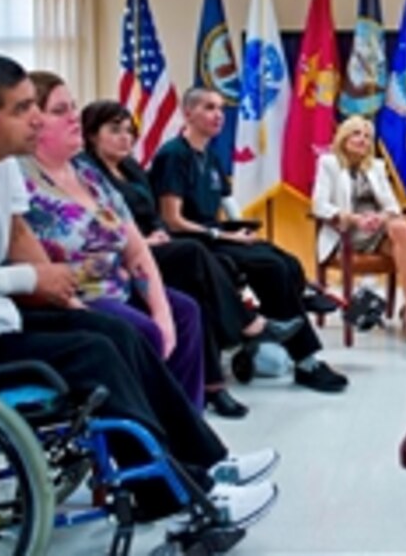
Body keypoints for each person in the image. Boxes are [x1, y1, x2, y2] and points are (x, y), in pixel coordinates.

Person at [0, 52, 278, 524]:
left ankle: (207, 461)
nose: (36, 116)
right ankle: (170, 495)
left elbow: (17, 232)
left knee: (110, 331)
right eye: (21, 109)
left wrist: (59, 289)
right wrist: (25, 279)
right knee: (94, 353)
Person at [81, 99, 295, 418]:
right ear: (92, 134)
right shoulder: (88, 173)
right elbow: (101, 224)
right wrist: (147, 239)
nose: (125, 138)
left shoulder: (130, 167)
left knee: (204, 285)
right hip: (124, 256)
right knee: (195, 253)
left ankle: (214, 387)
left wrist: (157, 232)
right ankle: (250, 324)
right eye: (114, 130)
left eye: (129, 131)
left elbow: (152, 213)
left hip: (155, 245)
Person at [19, 71, 206, 409]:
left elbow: (135, 247)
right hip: (77, 300)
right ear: (34, 121)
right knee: (141, 331)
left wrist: (161, 312)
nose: (74, 116)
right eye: (60, 110)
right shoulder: (21, 179)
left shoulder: (88, 173)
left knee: (184, 313)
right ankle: (160, 438)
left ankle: (187, 430)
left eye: (74, 107)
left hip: (118, 287)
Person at [150, 87, 347, 393]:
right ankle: (306, 361)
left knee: (287, 261)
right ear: (188, 113)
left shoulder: (210, 155)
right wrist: (224, 234)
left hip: (215, 233)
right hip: (191, 241)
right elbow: (172, 218)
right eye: (208, 108)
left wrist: (244, 232)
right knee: (272, 267)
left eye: (220, 108)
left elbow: (228, 202)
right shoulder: (174, 155)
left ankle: (295, 299)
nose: (218, 115)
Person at [312, 115, 406, 341]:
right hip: (346, 232)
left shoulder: (376, 166)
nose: (363, 140)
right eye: (356, 134)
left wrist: (379, 217)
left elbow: (392, 206)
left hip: (377, 230)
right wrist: (356, 219)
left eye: (367, 136)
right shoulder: (328, 163)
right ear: (344, 137)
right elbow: (319, 205)